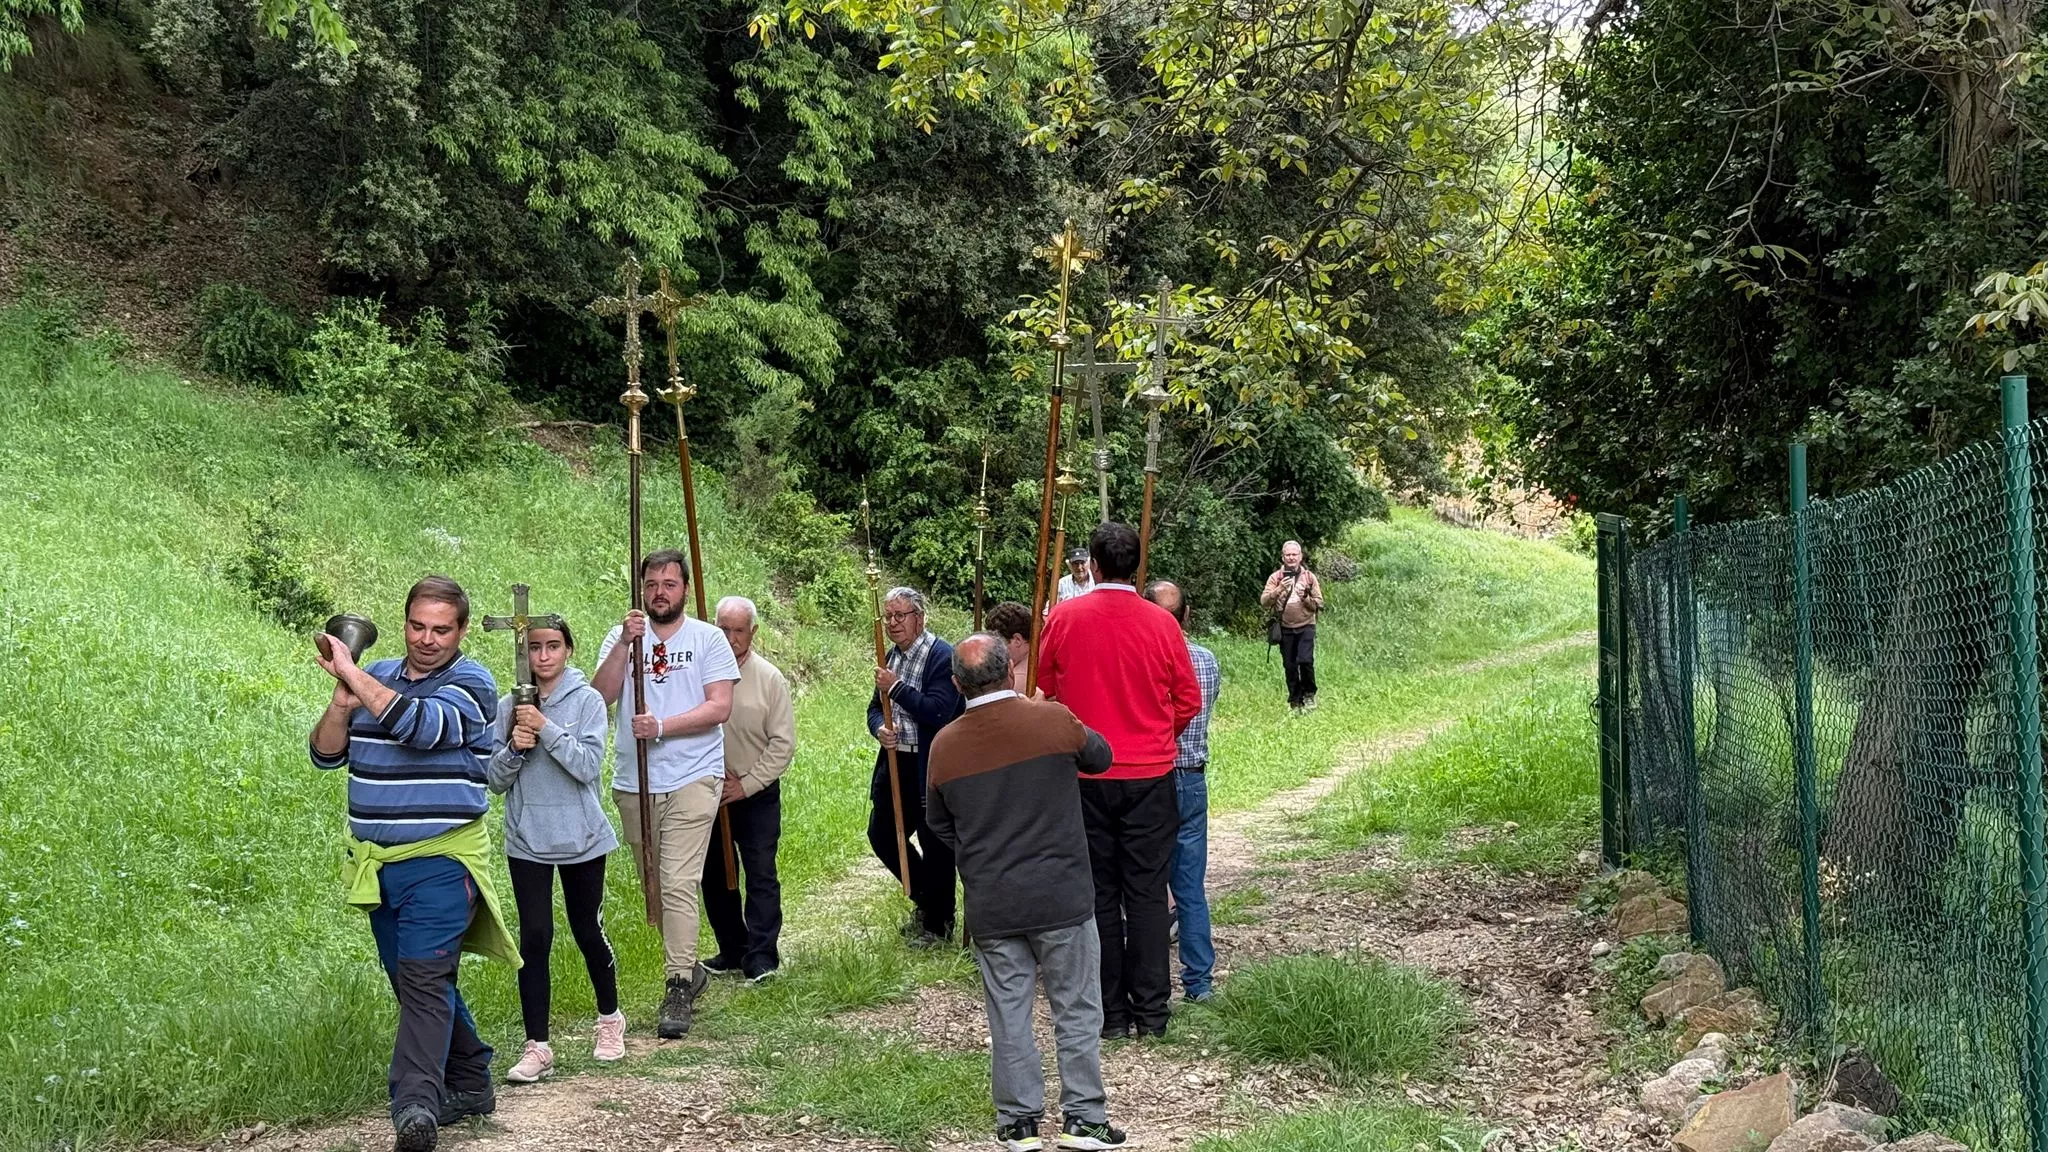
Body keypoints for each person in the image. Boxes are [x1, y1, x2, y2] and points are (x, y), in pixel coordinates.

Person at [309, 575, 517, 1152]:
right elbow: (327, 754)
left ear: (462, 631)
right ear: (404, 623)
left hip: (443, 860)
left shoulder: (472, 681)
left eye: (441, 629)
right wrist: (341, 699)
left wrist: (351, 671)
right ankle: (472, 1078)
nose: (427, 639)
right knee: (413, 978)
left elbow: (422, 728)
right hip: (379, 863)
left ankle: (416, 1107)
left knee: (424, 979)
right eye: (417, 626)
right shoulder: (376, 679)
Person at [926, 634, 1128, 1152]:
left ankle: (1018, 1123)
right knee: (1077, 1008)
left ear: (956, 686)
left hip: (993, 900)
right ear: (1010, 673)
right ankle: (1083, 1117)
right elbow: (1101, 758)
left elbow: (939, 825)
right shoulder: (1053, 720)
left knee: (1009, 1011)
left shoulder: (944, 746)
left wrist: (981, 854)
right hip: (1061, 892)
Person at [1037, 523, 1202, 1039]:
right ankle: (1152, 1013)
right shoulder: (1161, 624)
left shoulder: (1064, 617)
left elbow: (1046, 686)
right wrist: (1156, 734)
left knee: (1100, 894)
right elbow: (1188, 700)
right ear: (1133, 566)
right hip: (1151, 774)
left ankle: (1109, 1013)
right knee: (1149, 894)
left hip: (1087, 773)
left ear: (1097, 565)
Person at [593, 550, 740, 1039]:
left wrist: (660, 726)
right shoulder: (623, 636)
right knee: (653, 884)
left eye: (669, 583)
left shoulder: (708, 638)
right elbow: (601, 697)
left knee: (677, 881)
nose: (660, 591)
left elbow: (719, 707)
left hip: (694, 776)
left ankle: (677, 983)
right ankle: (690, 966)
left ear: (684, 587)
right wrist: (625, 646)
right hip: (635, 783)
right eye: (651, 583)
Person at [486, 619, 624, 1083]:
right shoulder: (508, 706)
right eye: (534, 648)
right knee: (535, 937)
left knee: (587, 928)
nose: (543, 656)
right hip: (528, 838)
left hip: (581, 836)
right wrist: (513, 748)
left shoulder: (587, 702)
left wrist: (544, 728)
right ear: (523, 653)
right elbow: (494, 781)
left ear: (568, 650)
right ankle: (537, 1046)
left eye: (553, 646)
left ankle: (609, 1019)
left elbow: (587, 767)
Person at [701, 596, 795, 982]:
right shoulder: (700, 675)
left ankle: (761, 955)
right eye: (722, 628)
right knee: (714, 874)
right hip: (710, 792)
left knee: (759, 873)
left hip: (756, 794)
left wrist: (749, 784)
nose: (729, 637)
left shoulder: (769, 679)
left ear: (752, 632)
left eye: (738, 630)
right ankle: (733, 948)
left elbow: (783, 743)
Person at [867, 586, 964, 945]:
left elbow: (938, 711)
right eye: (888, 616)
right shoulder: (891, 656)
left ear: (919, 618)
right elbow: (874, 707)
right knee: (882, 834)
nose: (892, 623)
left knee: (935, 842)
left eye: (900, 615)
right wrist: (879, 727)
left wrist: (895, 689)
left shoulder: (942, 656)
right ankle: (927, 901)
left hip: (931, 765)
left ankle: (939, 924)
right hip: (896, 763)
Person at [1144, 580, 1221, 1002]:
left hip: (1150, 778)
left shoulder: (1146, 660)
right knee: (1190, 888)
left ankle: (1151, 984)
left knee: (1146, 886)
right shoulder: (1206, 661)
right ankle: (1199, 983)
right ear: (1187, 616)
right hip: (1191, 776)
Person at [1260, 540, 1324, 712]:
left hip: (1306, 625)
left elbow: (1319, 604)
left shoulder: (1309, 577)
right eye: (1288, 555)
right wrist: (1279, 589)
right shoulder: (1276, 578)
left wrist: (1305, 597)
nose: (1291, 558)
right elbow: (1264, 602)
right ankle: (1295, 701)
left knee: (1305, 660)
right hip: (1285, 627)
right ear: (1283, 557)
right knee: (1289, 665)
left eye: (1294, 554)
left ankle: (1309, 694)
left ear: (1300, 557)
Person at [984, 600, 1035, 696]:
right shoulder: (1043, 662)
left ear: (1017, 640)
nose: (995, 650)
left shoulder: (1016, 682)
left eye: (998, 644)